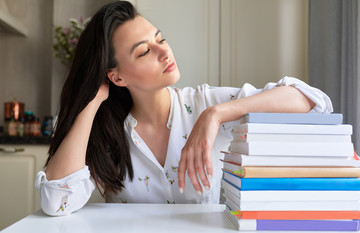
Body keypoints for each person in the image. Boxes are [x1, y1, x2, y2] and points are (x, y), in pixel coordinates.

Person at [35, 1, 333, 216]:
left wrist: (216, 115)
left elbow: (313, 103)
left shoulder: (207, 104)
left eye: (160, 39)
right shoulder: (107, 133)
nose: (165, 51)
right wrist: (92, 101)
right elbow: (56, 202)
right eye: (145, 51)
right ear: (117, 77)